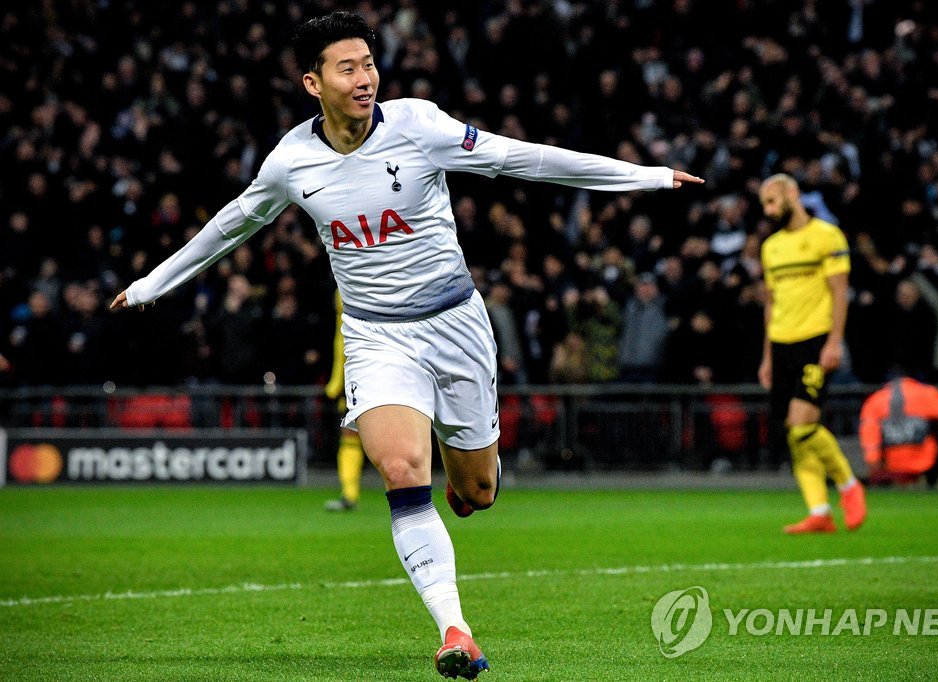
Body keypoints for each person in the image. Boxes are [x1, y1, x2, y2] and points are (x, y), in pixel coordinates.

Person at [109, 11, 704, 679]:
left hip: (454, 324)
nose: (365, 78)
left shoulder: (419, 126)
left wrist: (647, 176)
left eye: (369, 64)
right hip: (375, 336)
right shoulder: (291, 162)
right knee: (398, 469)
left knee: (479, 491)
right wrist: (152, 284)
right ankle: (455, 629)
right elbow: (231, 224)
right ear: (313, 83)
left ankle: (469, 479)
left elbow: (525, 159)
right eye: (347, 68)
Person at [757, 173, 867, 535]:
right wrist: (767, 357)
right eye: (764, 205)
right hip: (781, 342)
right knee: (794, 431)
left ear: (792, 193)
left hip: (814, 340)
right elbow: (771, 303)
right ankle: (819, 512)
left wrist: (834, 341)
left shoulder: (827, 236)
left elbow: (839, 292)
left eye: (772, 201)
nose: (768, 210)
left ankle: (848, 483)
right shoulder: (771, 247)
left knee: (802, 424)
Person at [323, 291, 365, 512]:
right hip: (359, 381)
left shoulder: (348, 316)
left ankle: (349, 494)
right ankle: (349, 494)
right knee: (351, 436)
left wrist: (337, 383)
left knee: (352, 437)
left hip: (357, 381)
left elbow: (343, 349)